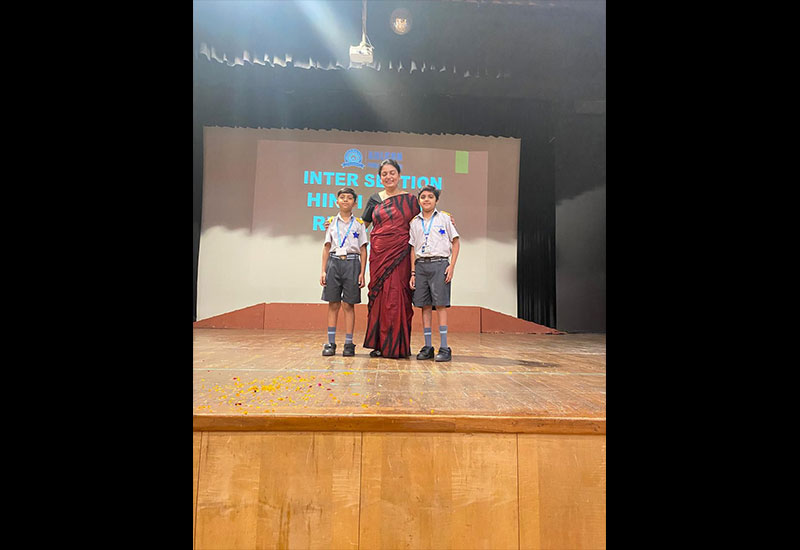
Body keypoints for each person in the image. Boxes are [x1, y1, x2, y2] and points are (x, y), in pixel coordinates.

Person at [360, 159, 422, 358]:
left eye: (392, 173)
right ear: (380, 178)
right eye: (384, 174)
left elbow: (424, 220)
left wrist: (446, 217)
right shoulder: (374, 199)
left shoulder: (411, 200)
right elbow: (361, 226)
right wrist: (335, 223)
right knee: (379, 297)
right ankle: (379, 344)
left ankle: (397, 346)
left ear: (399, 175)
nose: (388, 177)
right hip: (379, 255)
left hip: (401, 255)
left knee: (397, 297)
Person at [409, 185, 460, 361]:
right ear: (419, 200)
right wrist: (413, 273)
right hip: (421, 266)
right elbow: (412, 248)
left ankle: (444, 347)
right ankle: (428, 346)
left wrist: (451, 266)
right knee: (424, 306)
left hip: (439, 264)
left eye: (430, 197)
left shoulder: (444, 218)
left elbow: (455, 242)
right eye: (423, 197)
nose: (426, 200)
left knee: (440, 305)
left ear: (436, 200)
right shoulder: (414, 222)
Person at [320, 188, 368, 356]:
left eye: (349, 198)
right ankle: (330, 343)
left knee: (348, 304)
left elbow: (363, 250)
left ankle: (349, 343)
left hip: (352, 263)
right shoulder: (331, 222)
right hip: (334, 263)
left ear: (355, 203)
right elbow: (327, 247)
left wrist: (362, 273)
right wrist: (323, 271)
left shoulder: (359, 224)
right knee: (333, 304)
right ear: (337, 202)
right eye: (342, 197)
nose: (345, 200)